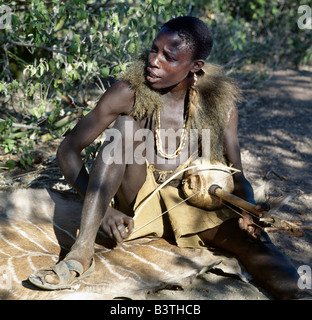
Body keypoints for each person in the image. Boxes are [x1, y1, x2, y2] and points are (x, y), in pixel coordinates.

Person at [29, 16, 307, 299]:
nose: (154, 60)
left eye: (169, 57)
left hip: (196, 201)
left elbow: (236, 172)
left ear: (195, 67)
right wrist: (105, 210)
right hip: (136, 198)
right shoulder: (129, 93)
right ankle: (81, 252)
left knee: (257, 243)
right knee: (125, 129)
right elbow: (68, 149)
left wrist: (248, 210)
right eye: (154, 49)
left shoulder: (220, 105)